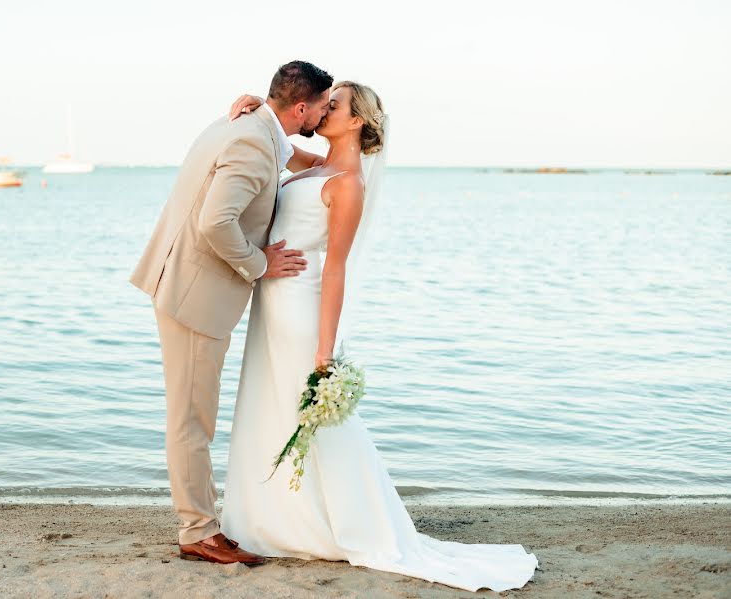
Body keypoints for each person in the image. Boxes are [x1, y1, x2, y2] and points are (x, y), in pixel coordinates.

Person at [219, 82, 539, 592]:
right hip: (271, 302)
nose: (323, 109)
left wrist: (326, 349)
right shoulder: (315, 165)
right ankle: (276, 519)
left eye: (334, 105)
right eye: (323, 101)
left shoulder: (348, 183)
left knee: (317, 418)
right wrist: (252, 108)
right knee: (269, 408)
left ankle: (355, 523)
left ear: (356, 122)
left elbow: (336, 270)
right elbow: (276, 142)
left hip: (301, 308)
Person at [129, 60, 333, 565]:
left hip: (182, 279)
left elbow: (290, 157)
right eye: (325, 105)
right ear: (301, 107)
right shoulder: (251, 142)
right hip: (194, 293)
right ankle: (197, 530)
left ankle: (199, 522)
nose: (328, 112)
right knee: (192, 419)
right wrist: (260, 264)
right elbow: (214, 222)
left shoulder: (249, 124)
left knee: (193, 414)